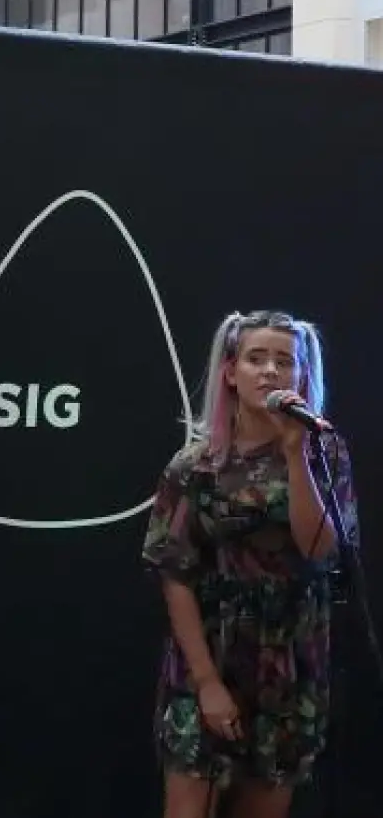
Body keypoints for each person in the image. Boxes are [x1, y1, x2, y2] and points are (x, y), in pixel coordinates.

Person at [142, 310, 360, 818]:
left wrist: (295, 453)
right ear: (230, 373)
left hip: (289, 657)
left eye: (284, 361)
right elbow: (173, 571)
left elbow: (319, 550)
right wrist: (206, 683)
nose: (270, 371)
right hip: (210, 652)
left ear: (302, 376)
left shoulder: (324, 451)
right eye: (256, 359)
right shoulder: (195, 465)